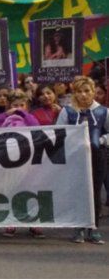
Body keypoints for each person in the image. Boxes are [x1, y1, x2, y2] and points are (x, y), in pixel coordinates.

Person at [56, 76, 108, 244]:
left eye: (87, 91)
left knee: (95, 191)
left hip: (97, 155)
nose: (83, 95)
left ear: (93, 92)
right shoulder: (68, 111)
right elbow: (58, 132)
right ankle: (78, 227)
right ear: (74, 93)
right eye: (79, 91)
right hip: (75, 156)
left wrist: (102, 140)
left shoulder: (103, 111)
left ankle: (93, 228)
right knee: (78, 190)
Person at [0, 90, 45, 238]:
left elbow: (36, 127)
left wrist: (23, 114)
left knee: (30, 189)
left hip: (28, 159)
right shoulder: (0, 117)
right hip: (8, 160)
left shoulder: (30, 117)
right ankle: (11, 222)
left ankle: (34, 222)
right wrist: (9, 115)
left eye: (22, 105)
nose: (18, 108)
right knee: (11, 188)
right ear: (8, 105)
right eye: (15, 105)